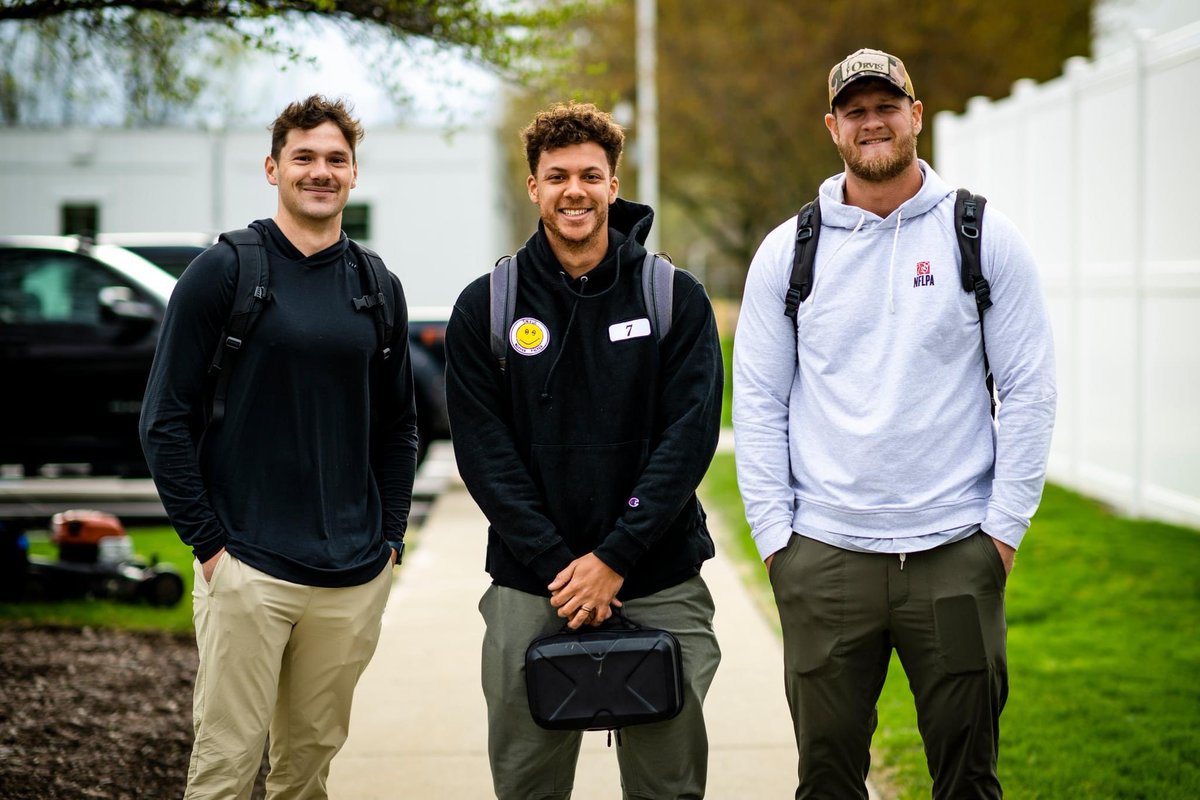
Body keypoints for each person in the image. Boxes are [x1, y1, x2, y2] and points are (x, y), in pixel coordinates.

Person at [733, 49, 1057, 799]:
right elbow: (755, 403)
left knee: (967, 780)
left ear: (916, 115)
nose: (872, 121)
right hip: (826, 558)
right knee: (826, 780)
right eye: (855, 110)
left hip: (954, 554)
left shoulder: (980, 235)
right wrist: (777, 542)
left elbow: (1030, 390)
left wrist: (1001, 534)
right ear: (833, 128)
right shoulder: (790, 252)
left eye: (887, 105)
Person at [139, 95, 418, 799]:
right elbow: (162, 420)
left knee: (307, 771)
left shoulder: (377, 286)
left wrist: (389, 542)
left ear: (353, 174)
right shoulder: (225, 271)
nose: (319, 172)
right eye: (304, 158)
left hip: (352, 575)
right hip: (248, 569)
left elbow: (397, 426)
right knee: (226, 769)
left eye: (335, 159)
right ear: (273, 168)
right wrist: (210, 548)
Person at [445, 101, 724, 799]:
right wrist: (562, 565)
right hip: (529, 582)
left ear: (614, 185)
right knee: (527, 786)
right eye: (558, 175)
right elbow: (485, 453)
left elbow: (686, 439)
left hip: (657, 575)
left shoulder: (671, 296)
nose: (576, 190)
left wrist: (616, 555)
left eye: (591, 176)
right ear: (534, 185)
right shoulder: (488, 306)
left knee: (669, 785)